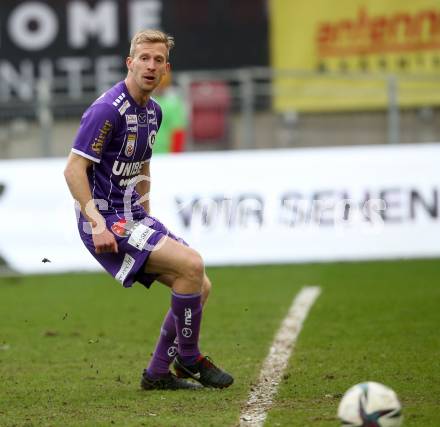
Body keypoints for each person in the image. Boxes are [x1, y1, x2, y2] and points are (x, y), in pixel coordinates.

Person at [64, 29, 233, 390]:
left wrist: (145, 212)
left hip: (132, 217)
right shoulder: (107, 110)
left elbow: (142, 165)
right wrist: (97, 224)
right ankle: (188, 358)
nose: (151, 66)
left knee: (199, 285)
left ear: (166, 68)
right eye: (144, 58)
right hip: (106, 219)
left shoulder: (153, 112)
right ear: (130, 62)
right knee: (192, 264)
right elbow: (73, 170)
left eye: (158, 60)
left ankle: (157, 375)